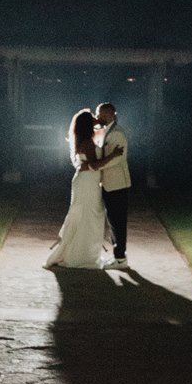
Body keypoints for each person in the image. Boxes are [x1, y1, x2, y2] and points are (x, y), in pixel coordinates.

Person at [44, 108, 125, 269]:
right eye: (93, 117)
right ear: (88, 123)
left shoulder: (87, 138)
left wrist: (105, 125)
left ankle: (83, 253)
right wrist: (113, 155)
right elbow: (92, 165)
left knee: (89, 217)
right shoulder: (87, 142)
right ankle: (81, 256)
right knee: (87, 218)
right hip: (87, 183)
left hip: (89, 183)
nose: (97, 118)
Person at [94, 99, 131, 266]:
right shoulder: (107, 131)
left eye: (101, 113)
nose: (98, 116)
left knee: (118, 222)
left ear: (110, 115)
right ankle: (118, 255)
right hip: (110, 183)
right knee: (113, 221)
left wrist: (97, 166)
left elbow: (116, 160)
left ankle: (121, 257)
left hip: (117, 183)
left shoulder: (117, 133)